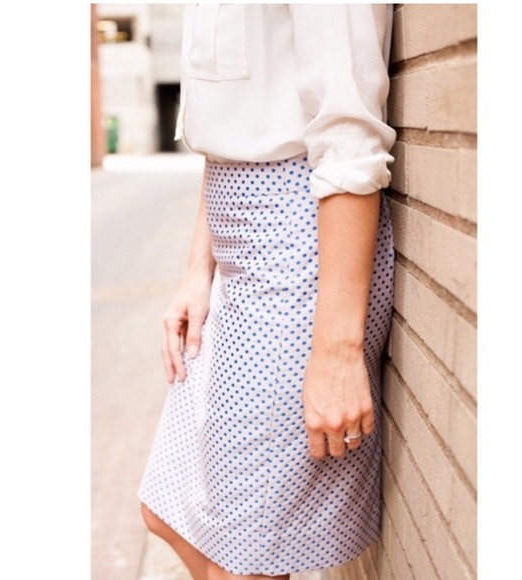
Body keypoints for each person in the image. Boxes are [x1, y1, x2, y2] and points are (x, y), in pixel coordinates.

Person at [139, 4, 397, 579]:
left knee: (244, 565)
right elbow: (231, 128)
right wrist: (197, 269)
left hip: (296, 253)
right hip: (233, 250)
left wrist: (337, 351)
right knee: (165, 511)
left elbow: (348, 138)